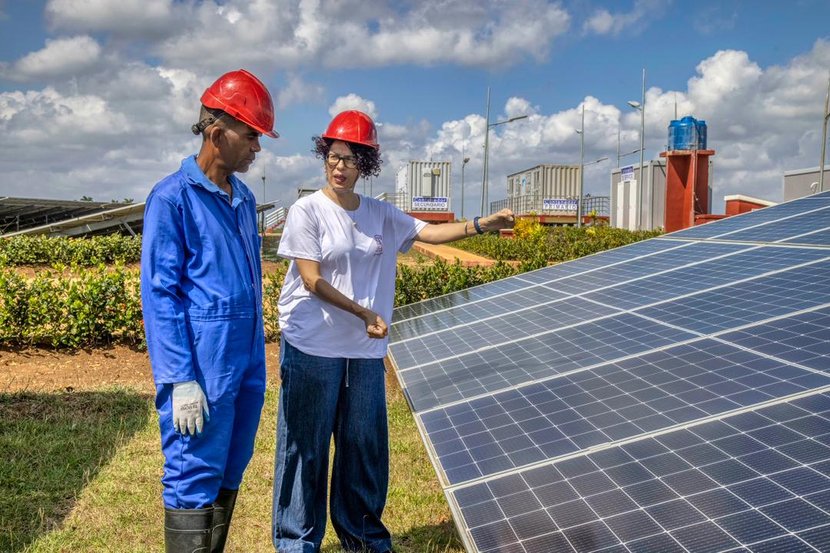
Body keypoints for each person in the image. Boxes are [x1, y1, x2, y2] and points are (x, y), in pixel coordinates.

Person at [272, 110, 514, 553]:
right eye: (334, 157)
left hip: (363, 352)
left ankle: (363, 539)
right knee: (305, 450)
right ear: (324, 158)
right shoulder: (307, 210)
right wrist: (363, 312)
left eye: (351, 159)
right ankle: (295, 542)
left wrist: (484, 225)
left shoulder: (381, 213)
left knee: (362, 447)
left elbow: (434, 233)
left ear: (366, 165)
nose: (340, 167)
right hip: (313, 346)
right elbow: (311, 279)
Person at [140, 69, 278, 553]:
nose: (258, 148)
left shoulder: (242, 201)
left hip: (245, 363)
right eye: (252, 135)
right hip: (202, 365)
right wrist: (180, 378)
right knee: (192, 471)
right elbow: (161, 295)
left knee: (230, 463)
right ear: (217, 134)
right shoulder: (173, 199)